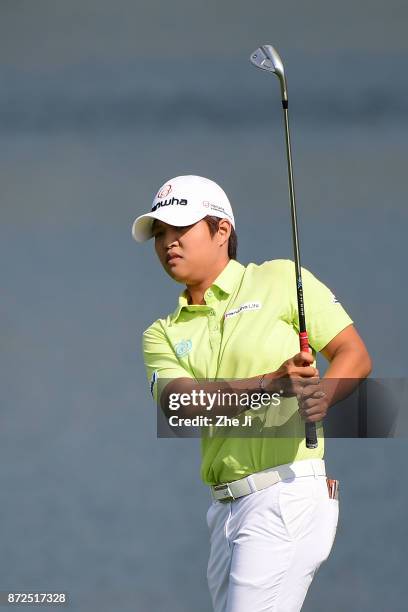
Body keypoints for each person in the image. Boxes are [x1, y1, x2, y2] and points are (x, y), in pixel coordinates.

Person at [132, 175, 372, 612]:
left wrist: (324, 395)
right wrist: (270, 383)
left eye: (180, 229)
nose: (168, 243)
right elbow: (181, 406)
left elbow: (352, 353)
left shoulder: (281, 279)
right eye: (160, 234)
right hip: (224, 512)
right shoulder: (162, 333)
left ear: (221, 230)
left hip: (286, 494)